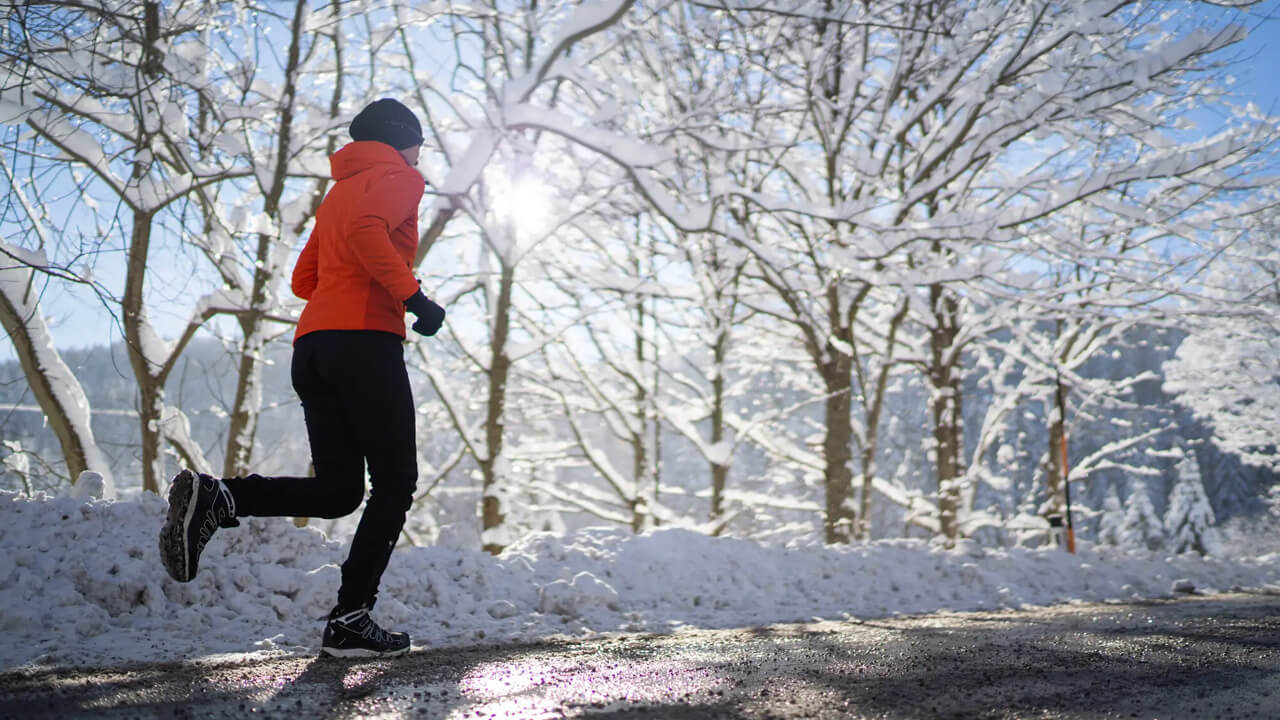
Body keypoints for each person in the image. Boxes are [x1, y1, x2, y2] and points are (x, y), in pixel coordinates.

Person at [158, 98, 446, 658]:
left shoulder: (340, 191)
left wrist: (351, 294)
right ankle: (351, 618)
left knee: (340, 492)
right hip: (365, 344)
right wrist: (413, 297)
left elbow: (304, 278)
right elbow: (367, 236)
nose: (420, 153)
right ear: (399, 139)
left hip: (314, 347)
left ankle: (221, 497)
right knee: (395, 483)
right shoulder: (400, 179)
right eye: (418, 141)